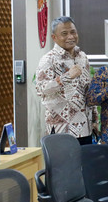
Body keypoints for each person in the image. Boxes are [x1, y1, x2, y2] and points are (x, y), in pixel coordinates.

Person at [35, 16, 98, 144]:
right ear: (54, 37)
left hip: (85, 128)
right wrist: (66, 77)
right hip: (61, 130)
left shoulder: (83, 57)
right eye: (64, 33)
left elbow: (88, 90)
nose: (70, 36)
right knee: (64, 164)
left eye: (73, 32)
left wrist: (95, 120)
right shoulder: (48, 59)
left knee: (85, 164)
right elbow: (41, 89)